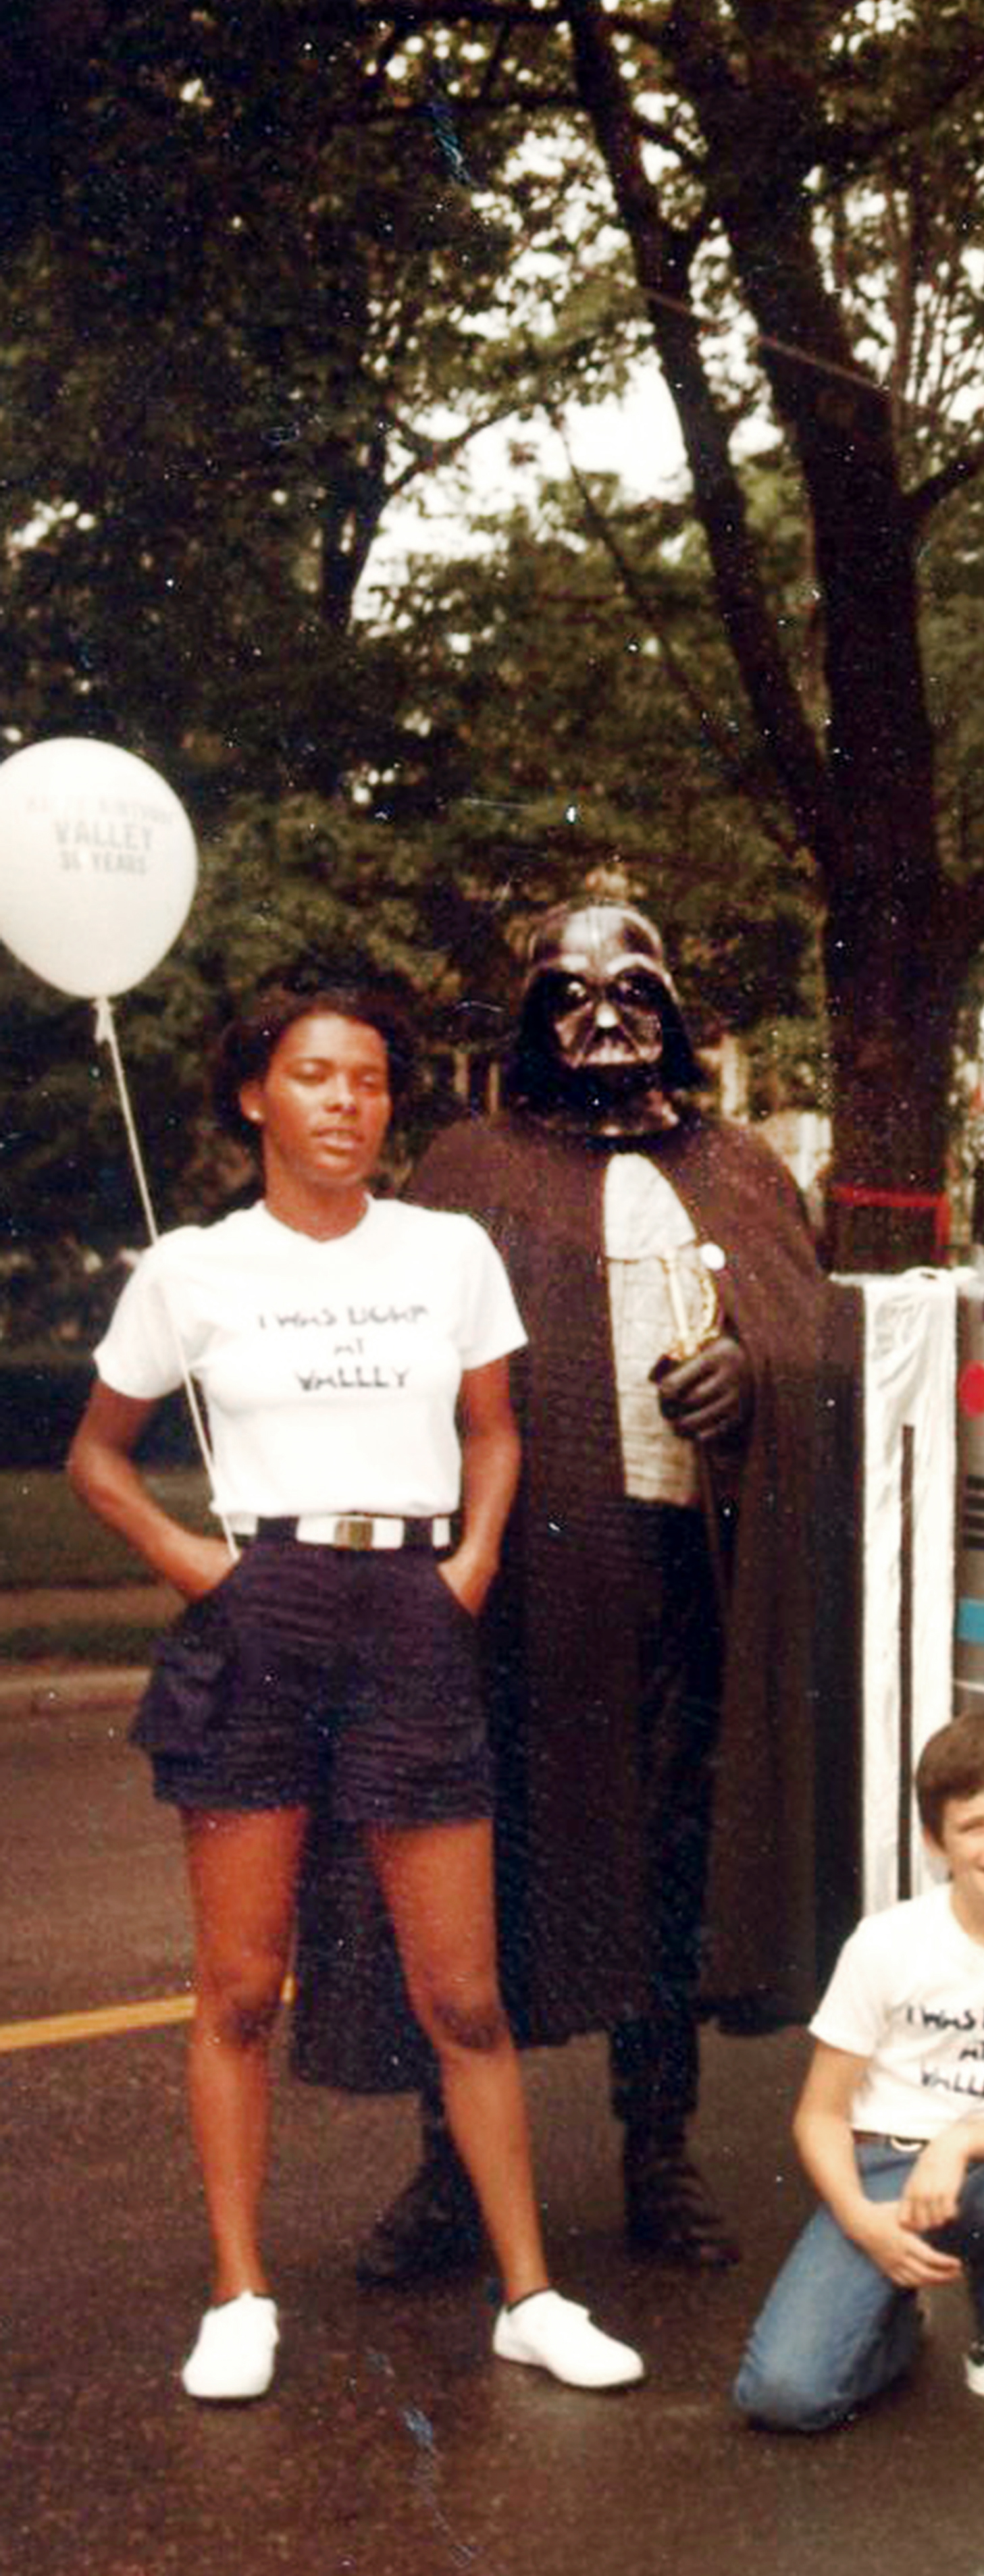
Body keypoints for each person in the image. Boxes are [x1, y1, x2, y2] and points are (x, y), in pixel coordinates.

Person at [71, 974, 646, 2403]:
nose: (348, 1103)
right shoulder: (193, 1272)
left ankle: (530, 2296)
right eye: (319, 1076)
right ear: (258, 1095)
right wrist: (201, 1567)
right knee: (242, 1988)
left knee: (463, 1993)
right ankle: (239, 2292)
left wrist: (466, 1570)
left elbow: (494, 1433)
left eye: (373, 1080)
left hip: (410, 1608)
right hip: (263, 1606)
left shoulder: (445, 1252)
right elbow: (97, 1454)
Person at [317, 895, 833, 2290]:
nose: (605, 1021)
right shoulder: (469, 1170)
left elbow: (811, 1334)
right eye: (569, 996)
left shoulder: (737, 1168)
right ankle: (448, 2167)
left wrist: (760, 1375)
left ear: (675, 1013)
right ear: (530, 1021)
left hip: (680, 1580)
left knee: (663, 1867)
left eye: (635, 994)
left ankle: (656, 2156)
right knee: (479, 1870)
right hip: (515, 1588)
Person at [732, 1708, 984, 2431]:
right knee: (785, 2396)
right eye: (975, 1827)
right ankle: (898, 2325)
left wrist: (960, 2140)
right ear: (936, 1841)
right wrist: (862, 2221)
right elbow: (820, 2114)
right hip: (883, 2177)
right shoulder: (886, 1944)